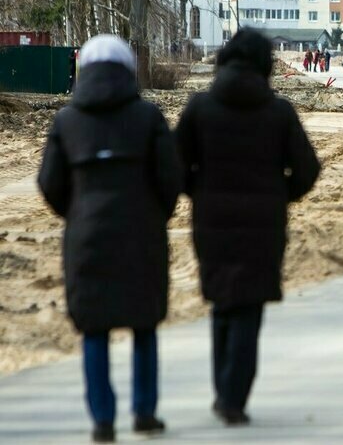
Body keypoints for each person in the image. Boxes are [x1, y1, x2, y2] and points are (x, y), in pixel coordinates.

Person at [38, 34, 181, 443]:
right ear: (127, 70)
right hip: (141, 234)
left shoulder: (67, 120)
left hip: (87, 237)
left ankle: (102, 420)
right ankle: (144, 413)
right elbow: (170, 179)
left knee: (95, 328)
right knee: (144, 324)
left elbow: (49, 183)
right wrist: (155, 214)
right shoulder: (149, 116)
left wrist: (78, 214)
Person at [175, 28, 321, 426]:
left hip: (211, 219)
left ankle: (224, 390)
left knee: (222, 303)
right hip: (264, 223)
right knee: (249, 309)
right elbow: (308, 169)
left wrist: (198, 190)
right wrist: (280, 194)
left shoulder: (199, 109)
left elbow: (173, 165)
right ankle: (232, 397)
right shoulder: (279, 112)